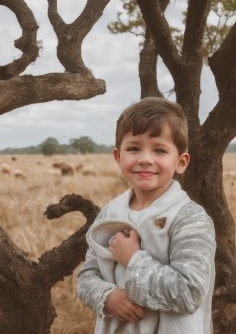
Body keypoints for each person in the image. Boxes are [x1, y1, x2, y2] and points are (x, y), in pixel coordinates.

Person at [77, 97, 216, 334]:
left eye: (160, 150)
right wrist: (107, 296)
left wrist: (133, 259)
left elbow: (190, 292)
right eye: (133, 148)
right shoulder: (110, 213)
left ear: (180, 162)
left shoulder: (190, 218)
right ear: (118, 157)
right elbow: (87, 274)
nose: (145, 159)